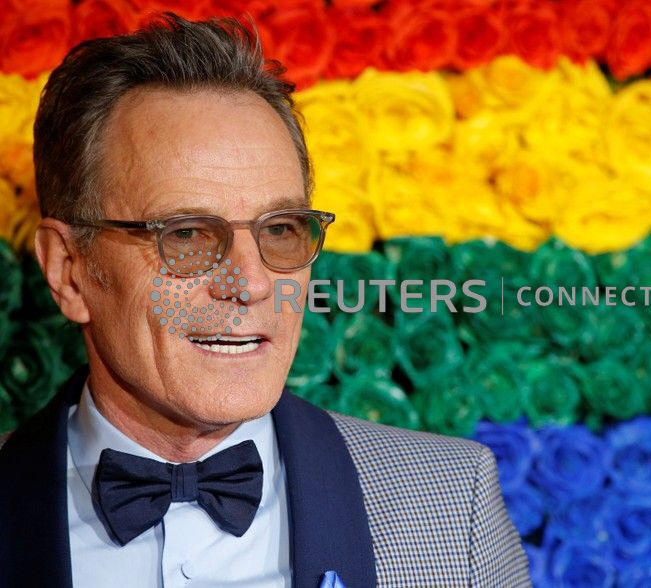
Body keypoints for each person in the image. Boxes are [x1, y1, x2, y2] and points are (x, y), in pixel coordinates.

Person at [0, 12, 529, 588]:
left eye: (279, 229)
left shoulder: (452, 506)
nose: (252, 283)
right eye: (186, 234)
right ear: (69, 271)